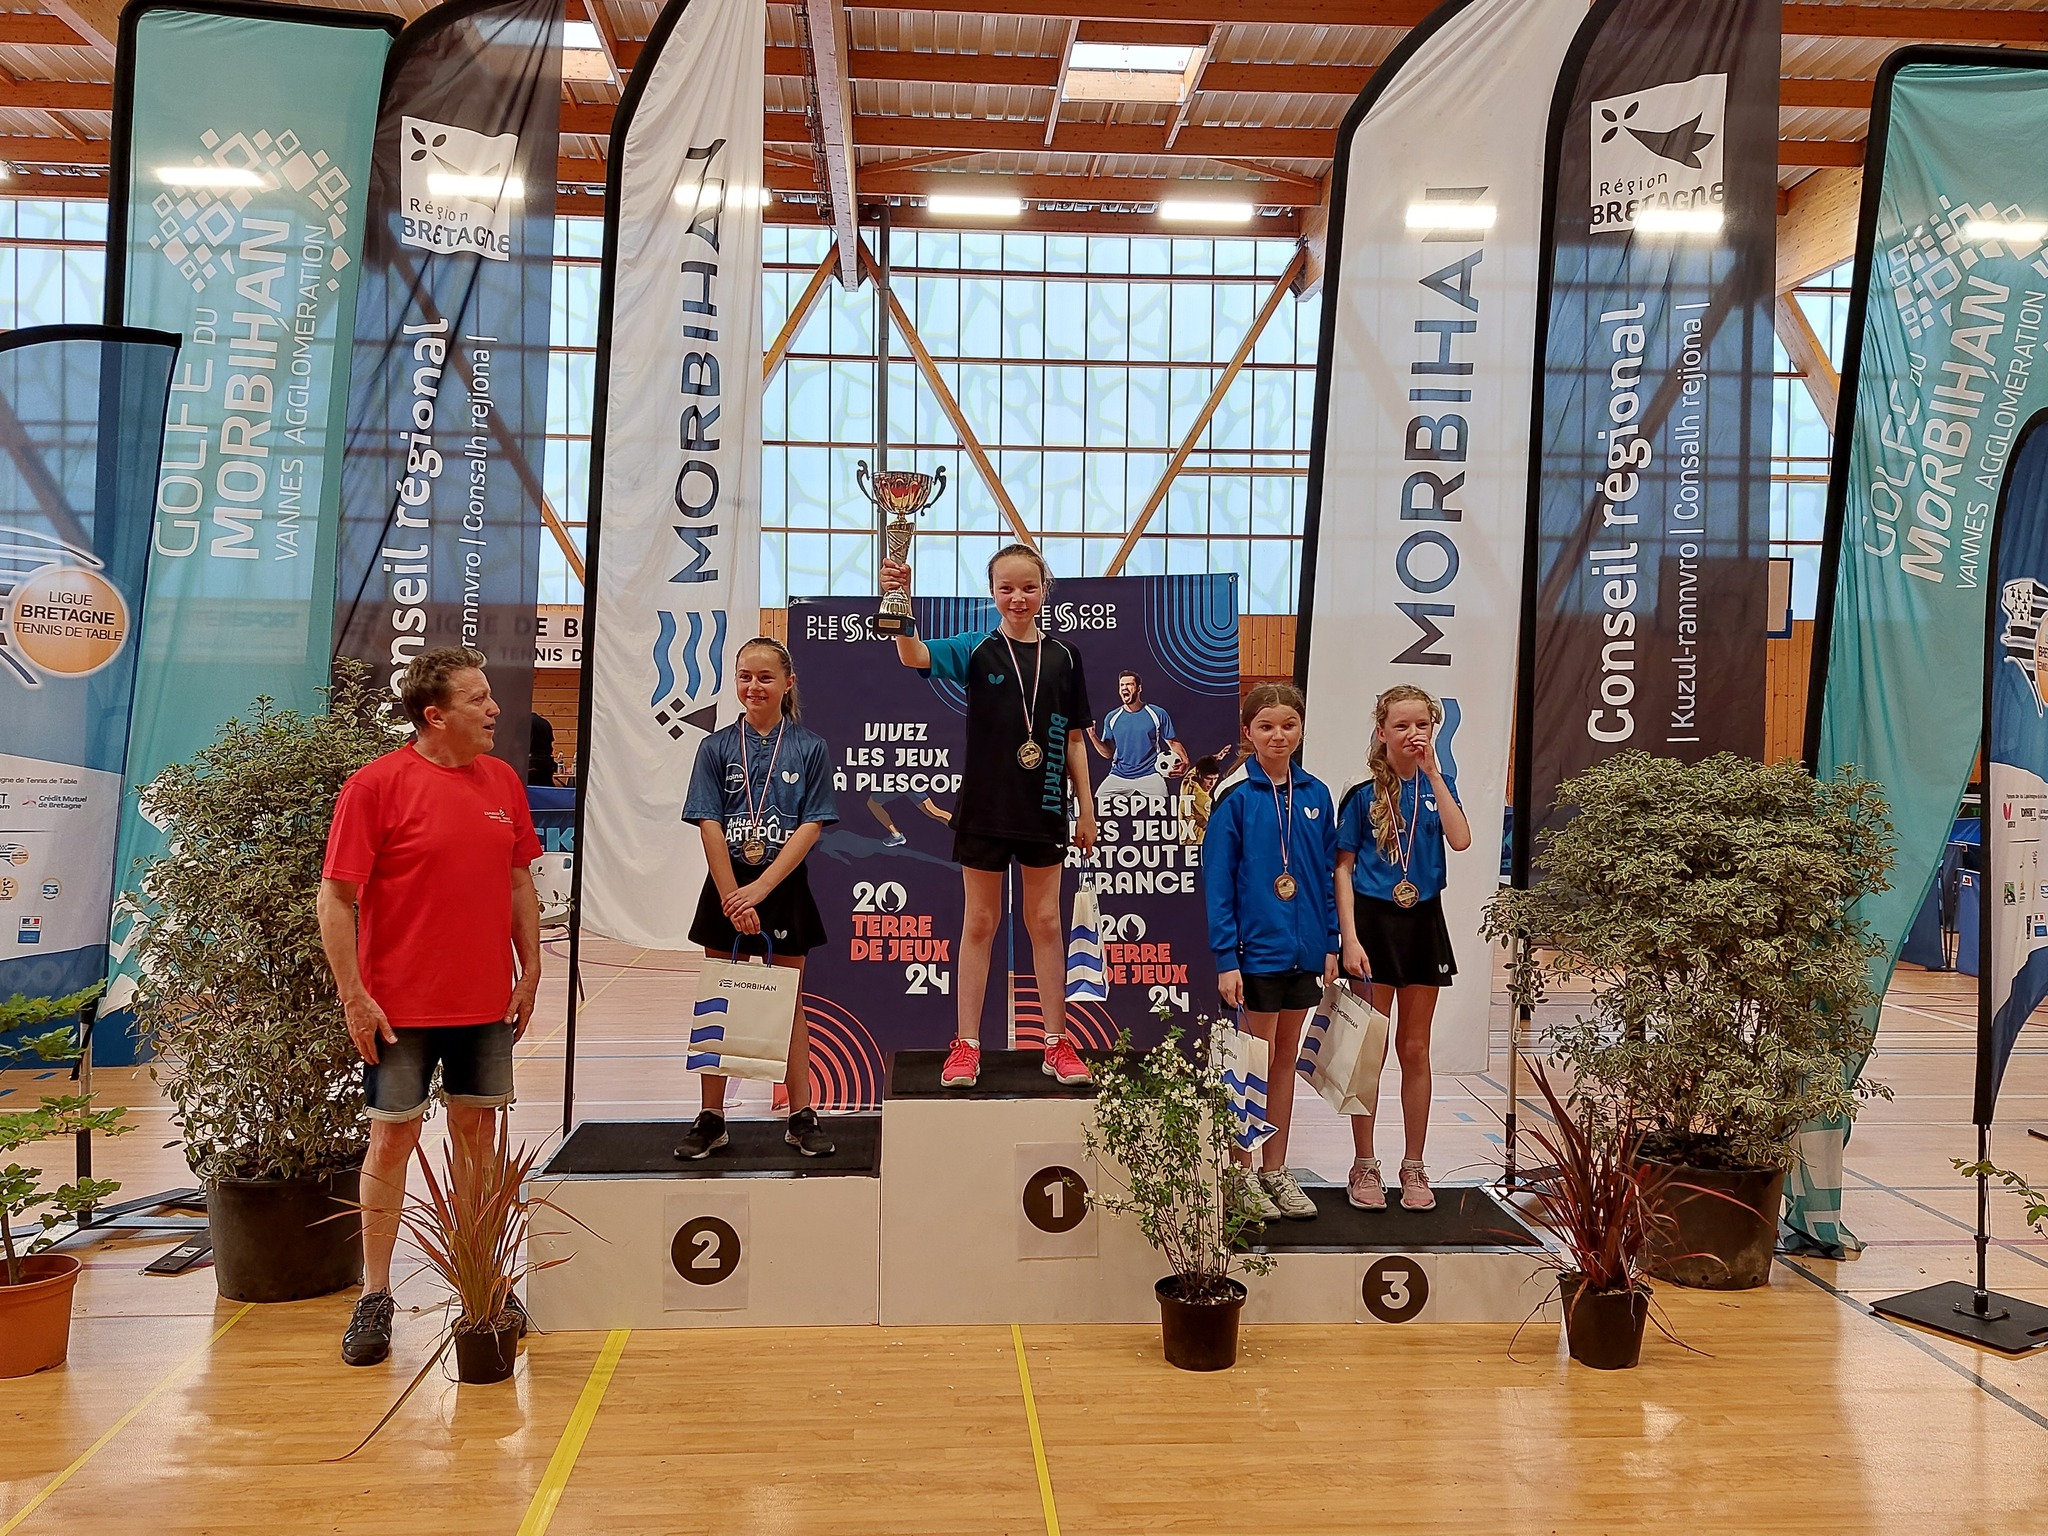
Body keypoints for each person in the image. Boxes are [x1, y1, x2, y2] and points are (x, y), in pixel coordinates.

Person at [318, 647, 542, 1368]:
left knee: (480, 1139)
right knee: (393, 1140)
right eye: (478, 699)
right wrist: (355, 996)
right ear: (435, 716)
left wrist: (532, 968)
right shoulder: (375, 787)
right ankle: (375, 1294)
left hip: (485, 1005)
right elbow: (336, 899)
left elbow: (518, 883)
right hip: (398, 1010)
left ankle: (482, 1286)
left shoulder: (503, 781)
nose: (494, 709)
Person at [879, 543, 1097, 1088]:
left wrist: (1087, 809)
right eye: (1006, 588)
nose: (1018, 597)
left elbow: (1074, 740)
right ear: (993, 592)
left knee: (1046, 923)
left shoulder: (1066, 657)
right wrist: (899, 599)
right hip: (984, 808)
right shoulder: (976, 648)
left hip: (1045, 808)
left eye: (1029, 587)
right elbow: (912, 656)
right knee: (979, 922)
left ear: (1044, 590)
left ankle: (1055, 1041)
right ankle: (967, 1044)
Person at [673, 637, 839, 1160]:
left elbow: (812, 823)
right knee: (719, 999)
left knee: (788, 1001)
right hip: (727, 888)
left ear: (788, 683)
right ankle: (712, 1116)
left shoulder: (810, 747)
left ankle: (801, 1114)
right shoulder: (715, 747)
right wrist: (732, 897)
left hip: (781, 887)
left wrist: (761, 889)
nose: (754, 686)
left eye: (765, 677)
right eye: (745, 676)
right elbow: (708, 821)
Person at [1202, 682, 1338, 1223]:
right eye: (1266, 726)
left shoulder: (1316, 794)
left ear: (1301, 728)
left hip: (1303, 953)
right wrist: (1225, 958)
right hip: (1254, 952)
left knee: (1285, 1058)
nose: (1278, 735)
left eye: (1288, 725)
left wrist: (1329, 942)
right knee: (1252, 1064)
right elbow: (1218, 883)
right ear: (1248, 732)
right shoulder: (1235, 796)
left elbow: (1326, 876)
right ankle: (1240, 1171)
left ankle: (1274, 1169)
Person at [1335, 684, 1472, 1213]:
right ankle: (1364, 1162)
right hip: (1372, 923)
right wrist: (1349, 937)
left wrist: (1435, 774)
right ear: (1382, 732)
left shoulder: (1438, 787)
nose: (1413, 733)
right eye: (1402, 725)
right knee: (1368, 1048)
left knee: (1415, 1049)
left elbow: (1460, 840)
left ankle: (1414, 1163)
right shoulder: (1361, 795)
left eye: (1422, 725)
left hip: (1423, 922)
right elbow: (1342, 869)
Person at [1089, 670, 1187, 807]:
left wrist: (1185, 761)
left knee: (1164, 812)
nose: (1125, 688)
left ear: (1139, 688)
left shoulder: (1157, 713)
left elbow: (1172, 742)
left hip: (1150, 775)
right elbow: (1107, 753)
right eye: (1122, 685)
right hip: (1119, 775)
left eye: (1129, 684)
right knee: (1097, 807)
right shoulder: (1112, 717)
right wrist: (1092, 736)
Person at [527, 710, 557, 786]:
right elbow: (551, 741)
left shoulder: (526, 723)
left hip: (532, 765)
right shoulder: (545, 723)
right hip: (546, 764)